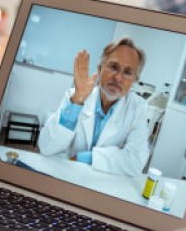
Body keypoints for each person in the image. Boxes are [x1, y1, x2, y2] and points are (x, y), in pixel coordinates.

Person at [37, 38, 151, 176]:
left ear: (134, 80)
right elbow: (46, 147)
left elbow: (135, 161)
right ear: (100, 68)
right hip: (65, 175)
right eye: (113, 67)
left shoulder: (137, 108)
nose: (118, 78)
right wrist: (78, 100)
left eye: (127, 72)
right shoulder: (76, 96)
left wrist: (85, 158)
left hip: (103, 184)